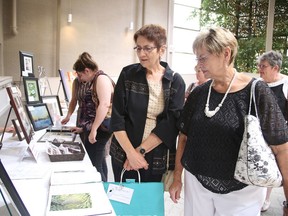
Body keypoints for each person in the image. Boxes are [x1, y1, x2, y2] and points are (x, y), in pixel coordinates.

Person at [169, 27, 288, 216]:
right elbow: (183, 137)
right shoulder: (199, 93)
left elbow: (281, 149)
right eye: (197, 58)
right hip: (197, 183)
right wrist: (177, 178)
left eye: (203, 58)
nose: (199, 65)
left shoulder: (257, 92)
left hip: (243, 190)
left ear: (226, 53)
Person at [109, 24, 185, 182]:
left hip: (156, 155)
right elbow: (117, 119)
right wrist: (130, 153)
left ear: (161, 50)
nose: (141, 53)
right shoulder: (128, 75)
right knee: (123, 200)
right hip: (124, 153)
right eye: (138, 48)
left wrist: (139, 152)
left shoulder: (175, 82)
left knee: (148, 203)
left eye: (147, 48)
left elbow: (170, 125)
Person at [61, 52, 114, 182]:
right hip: (97, 126)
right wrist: (83, 129)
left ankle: (101, 189)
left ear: (87, 70)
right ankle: (104, 185)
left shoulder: (101, 79)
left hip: (103, 126)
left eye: (80, 75)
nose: (79, 78)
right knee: (99, 159)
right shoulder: (94, 79)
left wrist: (94, 129)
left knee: (94, 163)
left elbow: (104, 104)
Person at [257, 50, 288, 212]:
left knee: (276, 168)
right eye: (259, 66)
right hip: (260, 133)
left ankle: (268, 198)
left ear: (275, 68)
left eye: (263, 66)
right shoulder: (258, 83)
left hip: (280, 135)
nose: (259, 70)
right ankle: (261, 197)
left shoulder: (286, 84)